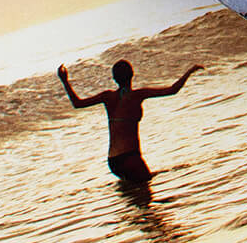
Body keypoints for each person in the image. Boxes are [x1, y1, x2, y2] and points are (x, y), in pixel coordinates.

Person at [56, 57, 203, 184]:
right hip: (130, 158)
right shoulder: (137, 95)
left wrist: (65, 81)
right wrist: (190, 71)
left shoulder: (107, 97)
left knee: (135, 196)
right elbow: (172, 90)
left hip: (113, 162)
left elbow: (77, 103)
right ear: (132, 74)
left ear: (114, 79)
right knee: (148, 203)